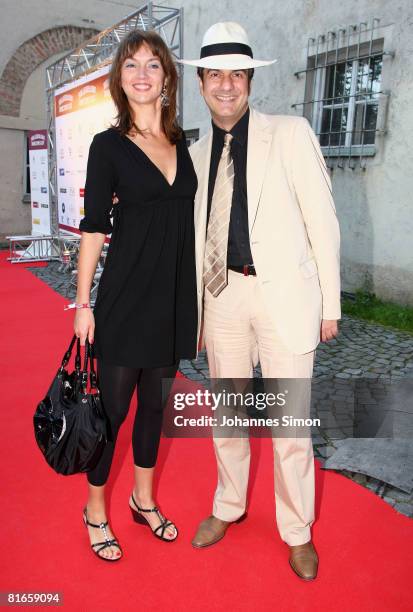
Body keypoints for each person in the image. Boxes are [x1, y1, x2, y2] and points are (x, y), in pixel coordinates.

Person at [179, 22, 341, 580]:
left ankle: (297, 530)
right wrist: (196, 312)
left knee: (290, 425)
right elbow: (195, 236)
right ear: (201, 83)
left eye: (237, 74)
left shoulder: (290, 133)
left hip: (283, 298)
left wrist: (331, 304)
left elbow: (323, 218)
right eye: (215, 75)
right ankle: (228, 504)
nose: (226, 85)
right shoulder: (195, 154)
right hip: (222, 297)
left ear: (251, 80)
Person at [74, 29, 198, 561]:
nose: (142, 74)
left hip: (172, 299)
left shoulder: (183, 143)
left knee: (155, 409)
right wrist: (83, 305)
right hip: (125, 298)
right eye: (131, 66)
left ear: (167, 77)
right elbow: (93, 229)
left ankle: (143, 499)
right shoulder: (108, 147)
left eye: (153, 64)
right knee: (113, 411)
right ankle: (95, 508)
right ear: (119, 80)